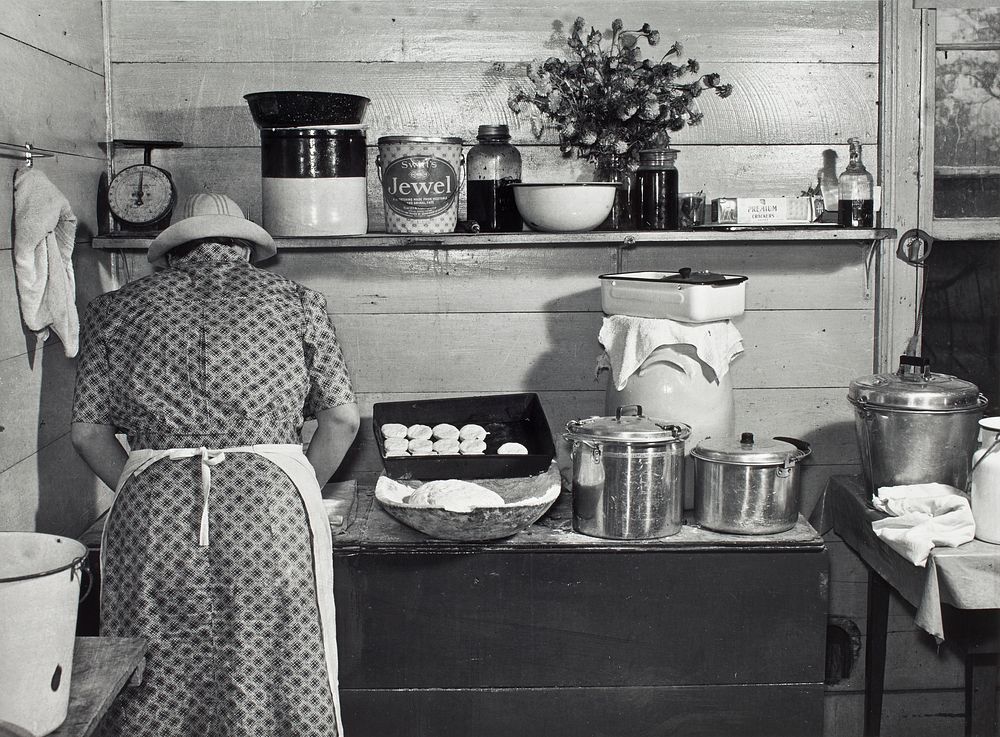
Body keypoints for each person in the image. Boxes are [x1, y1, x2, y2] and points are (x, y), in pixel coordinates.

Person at [71, 193, 360, 737]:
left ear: (174, 254)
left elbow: (88, 433)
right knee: (272, 664)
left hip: (153, 518)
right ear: (247, 250)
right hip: (270, 515)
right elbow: (341, 420)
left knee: (151, 668)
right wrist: (290, 486)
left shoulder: (115, 308)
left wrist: (143, 482)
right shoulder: (297, 301)